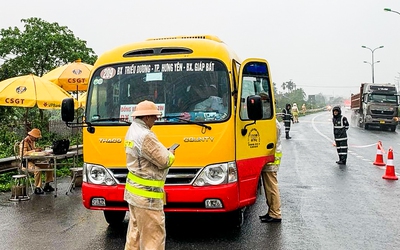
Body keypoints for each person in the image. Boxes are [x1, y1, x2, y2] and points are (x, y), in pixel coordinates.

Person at [124, 100, 176, 250]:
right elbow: (165, 160)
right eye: (154, 117)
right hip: (148, 199)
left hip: (134, 194)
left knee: (135, 236)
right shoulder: (145, 135)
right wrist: (170, 153)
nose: (156, 120)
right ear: (146, 117)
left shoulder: (132, 130)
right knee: (153, 238)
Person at [259, 119, 282, 223]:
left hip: (271, 158)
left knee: (271, 186)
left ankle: (275, 213)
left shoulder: (273, 123)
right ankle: (271, 211)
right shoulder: (272, 122)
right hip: (269, 157)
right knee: (268, 187)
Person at [19, 128, 54, 195]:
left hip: (33, 161)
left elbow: (32, 150)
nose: (36, 139)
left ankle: (47, 184)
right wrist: (34, 151)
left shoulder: (32, 142)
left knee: (49, 166)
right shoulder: (24, 142)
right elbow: (23, 154)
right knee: (37, 170)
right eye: (36, 138)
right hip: (26, 163)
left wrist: (37, 149)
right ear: (32, 136)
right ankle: (37, 187)